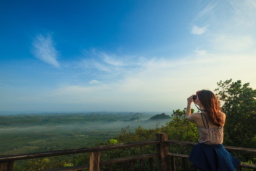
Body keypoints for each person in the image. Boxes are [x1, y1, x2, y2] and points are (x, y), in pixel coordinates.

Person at [186, 90, 240, 171]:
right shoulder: (222, 115)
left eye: (197, 97)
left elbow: (187, 116)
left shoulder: (197, 116)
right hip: (220, 151)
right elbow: (210, 114)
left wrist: (189, 103)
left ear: (201, 100)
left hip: (204, 152)